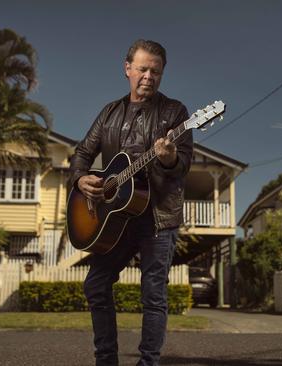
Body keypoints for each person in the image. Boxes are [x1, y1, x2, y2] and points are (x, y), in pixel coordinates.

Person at [68, 39, 193, 366]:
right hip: (113, 219)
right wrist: (81, 179)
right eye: (142, 69)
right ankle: (106, 360)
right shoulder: (109, 113)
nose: (148, 76)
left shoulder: (174, 113)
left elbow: (182, 166)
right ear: (127, 69)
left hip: (157, 219)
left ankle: (147, 363)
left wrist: (168, 158)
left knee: (153, 295)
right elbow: (82, 154)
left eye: (156, 71)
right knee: (96, 284)